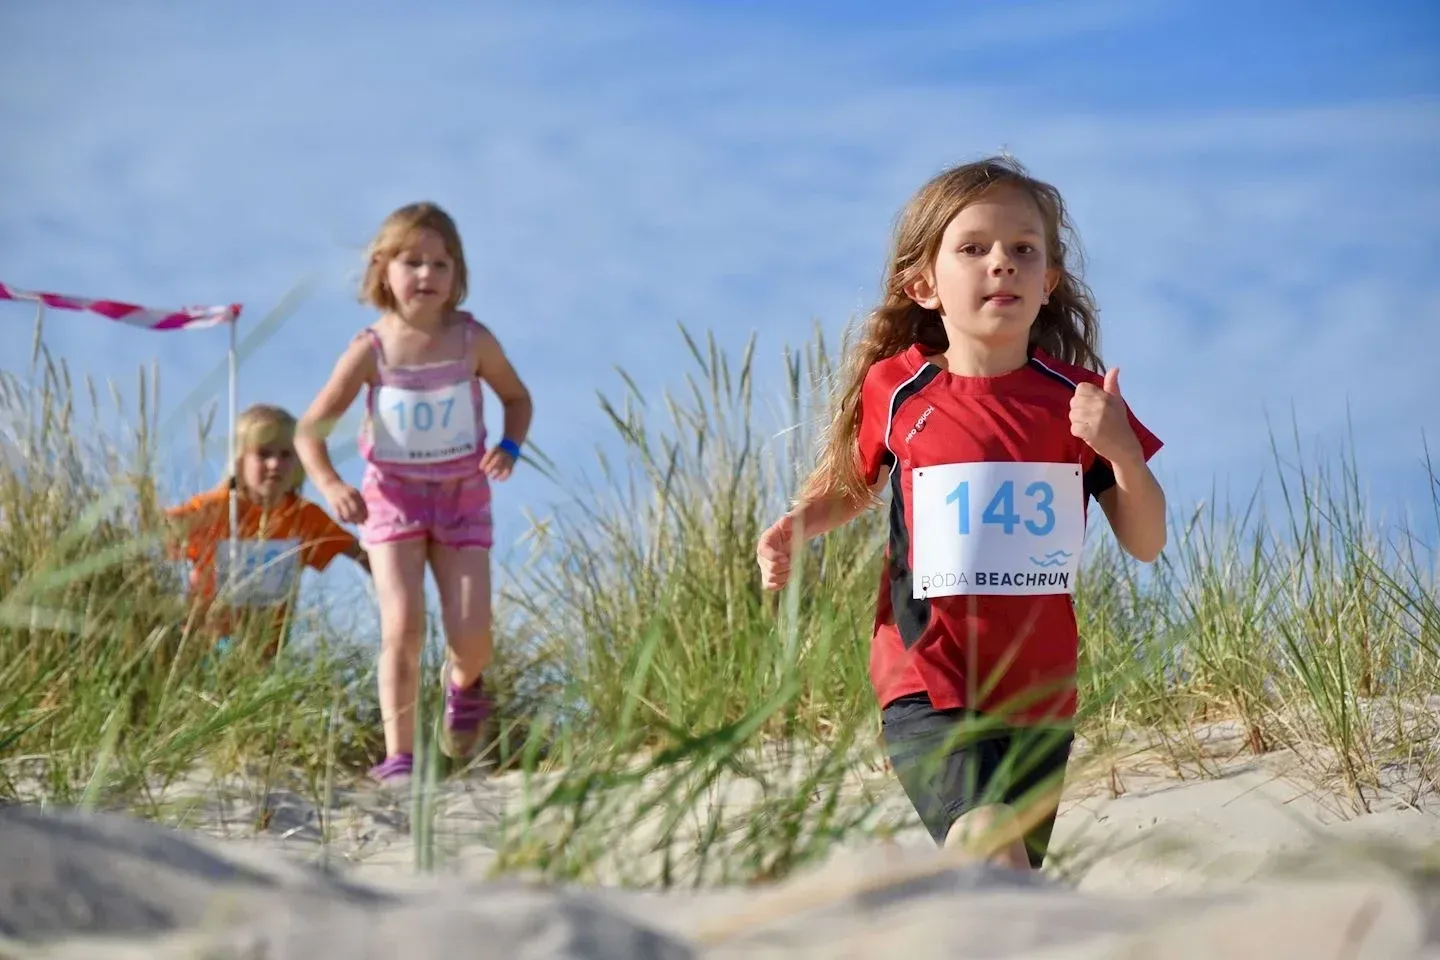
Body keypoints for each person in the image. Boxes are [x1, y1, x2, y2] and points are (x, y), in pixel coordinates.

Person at [755, 156, 1166, 870]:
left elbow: (1146, 541)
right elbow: (852, 485)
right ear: (924, 285)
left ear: (1049, 283)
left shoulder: (1078, 400)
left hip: (1038, 694)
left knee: (1008, 884)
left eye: (1023, 250)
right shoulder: (901, 389)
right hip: (927, 678)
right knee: (991, 850)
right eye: (974, 248)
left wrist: (1122, 449)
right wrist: (799, 524)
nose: (1001, 263)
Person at [295, 201, 533, 785]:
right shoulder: (371, 348)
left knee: (471, 631)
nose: (426, 275)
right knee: (401, 626)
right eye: (412, 262)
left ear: (458, 275)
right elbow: (309, 429)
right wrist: (329, 484)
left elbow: (517, 398)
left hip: (461, 499)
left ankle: (464, 685)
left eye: (440, 264)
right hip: (392, 501)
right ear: (383, 269)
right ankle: (398, 758)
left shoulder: (472, 339)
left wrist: (509, 447)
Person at [167, 403, 370, 661]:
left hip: (267, 653)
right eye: (263, 454)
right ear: (239, 460)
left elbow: (359, 553)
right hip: (204, 644)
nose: (275, 464)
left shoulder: (304, 517)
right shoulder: (215, 508)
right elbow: (158, 531)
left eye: (286, 455)